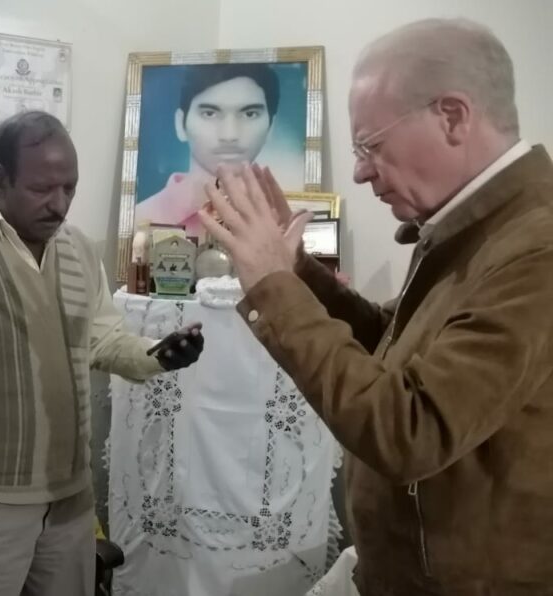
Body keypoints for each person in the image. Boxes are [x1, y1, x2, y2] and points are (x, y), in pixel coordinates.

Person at [199, 18, 553, 596]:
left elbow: (410, 430)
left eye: (371, 146)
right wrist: (296, 271)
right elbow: (397, 344)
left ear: (453, 117)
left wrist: (273, 286)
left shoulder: (536, 248)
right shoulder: (479, 225)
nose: (360, 171)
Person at [0, 110, 204, 596]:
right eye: (41, 189)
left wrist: (156, 355)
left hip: (70, 500)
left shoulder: (79, 249)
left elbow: (103, 339)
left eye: (69, 188)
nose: (59, 205)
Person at [136, 63, 279, 236]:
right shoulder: (140, 219)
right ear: (180, 124)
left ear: (271, 127)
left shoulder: (283, 222)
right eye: (209, 113)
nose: (229, 135)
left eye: (250, 114)